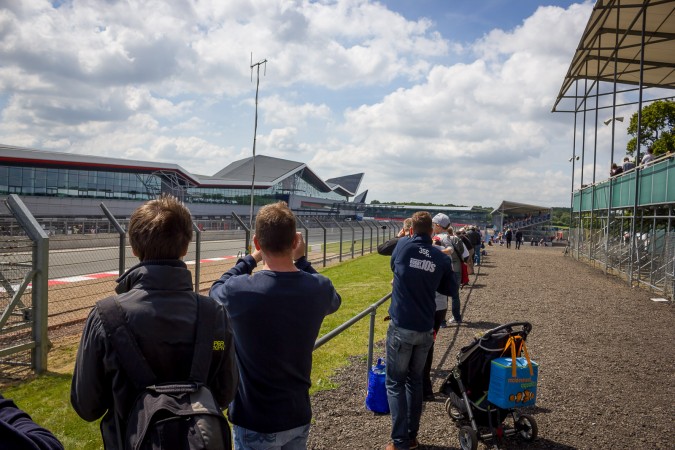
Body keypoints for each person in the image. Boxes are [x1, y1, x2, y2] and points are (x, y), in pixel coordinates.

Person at [71, 195, 238, 448]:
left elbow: (87, 406)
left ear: (134, 248)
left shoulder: (106, 317)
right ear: (185, 247)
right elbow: (225, 392)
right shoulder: (214, 316)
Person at [209, 201, 341, 450]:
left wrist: (249, 260)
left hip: (254, 418)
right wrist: (302, 261)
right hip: (297, 413)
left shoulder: (239, 291)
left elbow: (216, 289)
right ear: (294, 242)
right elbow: (334, 300)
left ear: (257, 242)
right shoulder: (319, 288)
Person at [385, 211, 456, 450]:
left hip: (401, 326)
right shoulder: (441, 259)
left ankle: (398, 441)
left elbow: (393, 265)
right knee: (414, 382)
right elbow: (450, 288)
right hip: (425, 328)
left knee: (395, 383)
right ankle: (412, 436)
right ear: (432, 231)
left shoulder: (404, 245)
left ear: (413, 229)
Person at [432, 214, 465, 325]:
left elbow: (450, 249)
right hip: (450, 269)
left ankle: (442, 321)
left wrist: (436, 252)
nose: (432, 227)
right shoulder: (442, 236)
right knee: (453, 295)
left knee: (442, 295)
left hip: (444, 270)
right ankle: (455, 318)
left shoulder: (442, 237)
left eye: (433, 224)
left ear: (438, 225)